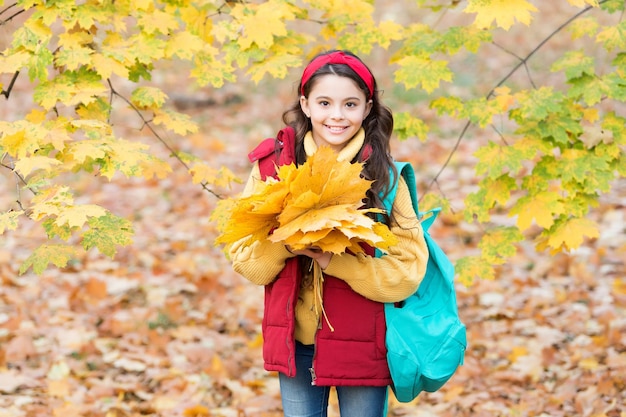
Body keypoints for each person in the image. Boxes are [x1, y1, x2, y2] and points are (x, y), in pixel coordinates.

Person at [228, 50, 429, 417]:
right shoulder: (274, 167)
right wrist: (285, 245)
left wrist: (336, 262)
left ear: (368, 108)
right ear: (305, 104)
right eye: (324, 102)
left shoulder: (385, 177)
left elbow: (407, 273)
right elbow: (244, 258)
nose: (336, 115)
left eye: (350, 104)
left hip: (364, 343)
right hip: (294, 341)